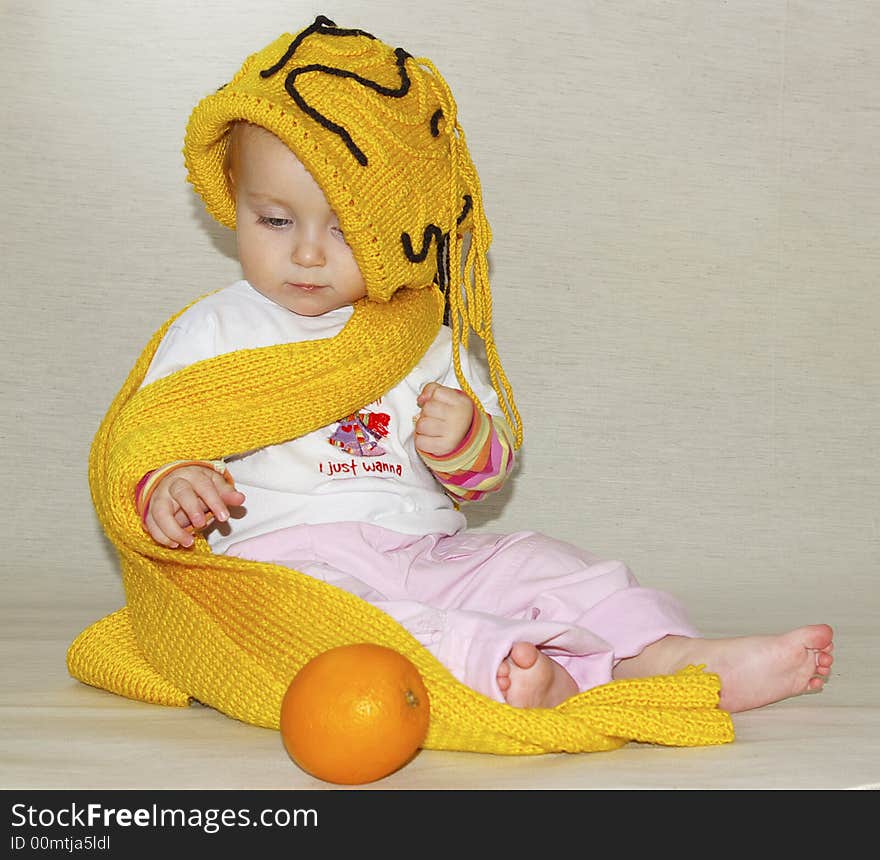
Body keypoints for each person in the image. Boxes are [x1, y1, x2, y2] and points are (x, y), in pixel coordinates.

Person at [134, 16, 832, 713]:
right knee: (344, 628)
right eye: (277, 221)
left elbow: (482, 481)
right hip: (287, 565)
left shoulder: (420, 335)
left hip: (425, 554)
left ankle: (669, 656)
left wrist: (466, 440)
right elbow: (148, 440)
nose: (308, 254)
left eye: (347, 229)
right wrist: (170, 484)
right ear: (235, 200)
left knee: (542, 563)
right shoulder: (216, 328)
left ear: (399, 221)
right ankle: (503, 670)